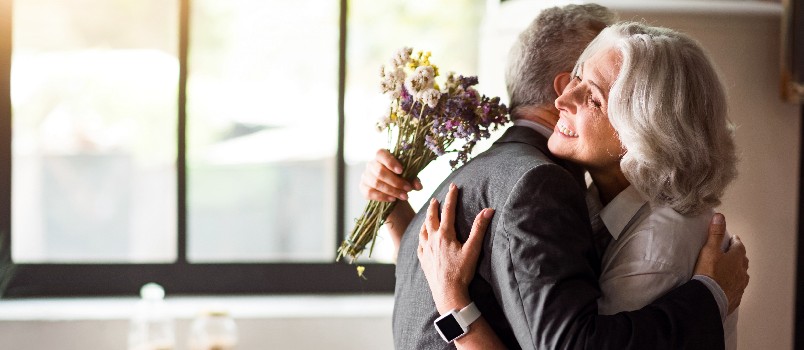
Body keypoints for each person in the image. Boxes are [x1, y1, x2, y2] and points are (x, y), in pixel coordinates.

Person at [360, 5, 749, 349]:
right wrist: (709, 298)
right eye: (578, 77)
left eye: (593, 95)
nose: (563, 100)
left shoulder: (489, 177)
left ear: (640, 126)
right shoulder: (538, 184)